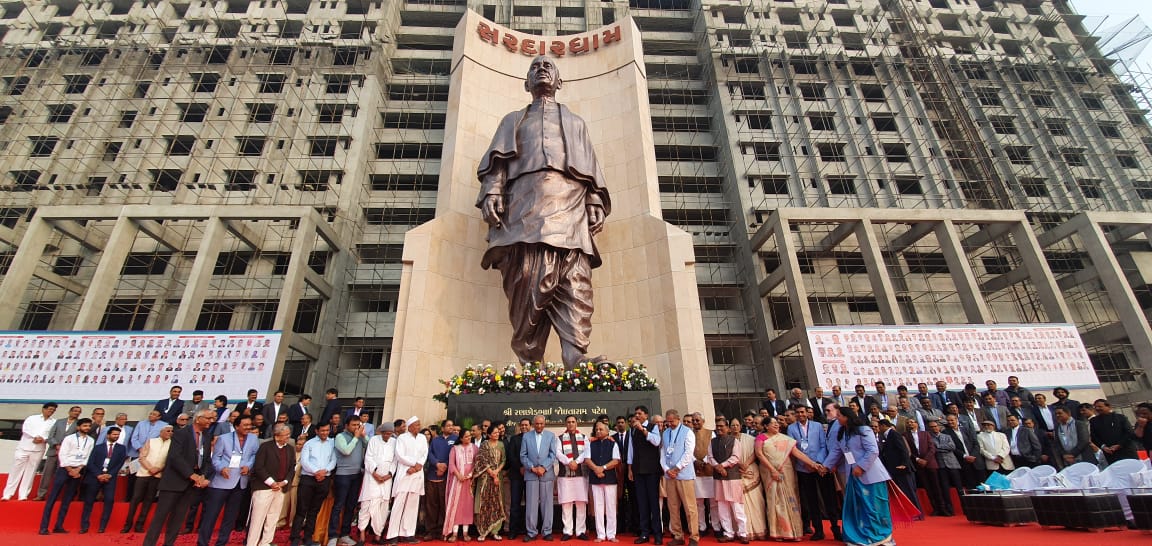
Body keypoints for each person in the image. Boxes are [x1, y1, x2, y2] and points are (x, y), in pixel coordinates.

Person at [476, 55, 612, 368]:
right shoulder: (513, 120)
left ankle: (575, 355)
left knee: (575, 280)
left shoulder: (576, 123)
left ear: (559, 82)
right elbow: (497, 165)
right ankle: (529, 357)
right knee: (526, 278)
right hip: (523, 206)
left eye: (548, 66)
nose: (541, 69)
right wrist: (493, 191)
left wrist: (594, 200)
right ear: (526, 83)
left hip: (571, 206)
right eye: (535, 66)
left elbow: (589, 166)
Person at [822, 407, 896, 546]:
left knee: (874, 505)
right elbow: (836, 452)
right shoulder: (842, 433)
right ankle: (861, 535)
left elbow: (873, 450)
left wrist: (861, 466)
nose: (837, 418)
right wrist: (825, 466)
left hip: (871, 474)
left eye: (839, 415)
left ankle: (880, 536)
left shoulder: (864, 430)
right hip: (853, 476)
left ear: (847, 417)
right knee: (858, 506)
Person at [141, 409, 215, 546]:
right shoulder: (181, 433)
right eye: (208, 418)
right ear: (198, 419)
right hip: (173, 482)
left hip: (191, 485)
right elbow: (175, 457)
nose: (211, 421)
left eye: (212, 418)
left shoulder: (207, 435)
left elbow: (206, 459)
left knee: (178, 519)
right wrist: (191, 475)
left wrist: (202, 476)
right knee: (160, 517)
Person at [758, 414, 821, 541]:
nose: (776, 425)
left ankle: (794, 532)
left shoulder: (785, 439)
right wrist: (773, 470)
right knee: (775, 502)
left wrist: (813, 464)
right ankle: (778, 532)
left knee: (791, 499)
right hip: (770, 474)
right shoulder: (761, 438)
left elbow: (797, 453)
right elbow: (759, 454)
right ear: (766, 426)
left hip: (786, 473)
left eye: (777, 423)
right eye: (773, 423)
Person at [200, 415, 259, 546]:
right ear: (236, 426)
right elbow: (215, 458)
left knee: (230, 517)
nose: (248, 427)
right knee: (211, 515)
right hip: (221, 482)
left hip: (240, 482)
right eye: (245, 425)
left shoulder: (253, 439)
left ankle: (221, 542)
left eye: (250, 425)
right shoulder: (223, 438)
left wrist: (249, 466)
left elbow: (254, 455)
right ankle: (202, 542)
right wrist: (221, 468)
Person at [787, 406, 839, 540]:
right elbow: (793, 448)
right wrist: (807, 463)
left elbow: (823, 445)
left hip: (820, 467)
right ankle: (818, 530)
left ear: (807, 413)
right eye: (798, 412)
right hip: (803, 468)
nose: (800, 414)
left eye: (802, 412)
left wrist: (817, 463)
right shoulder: (791, 428)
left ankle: (835, 528)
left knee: (829, 498)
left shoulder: (817, 426)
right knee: (811, 500)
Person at [39, 417, 94, 534]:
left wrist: (78, 469)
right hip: (64, 469)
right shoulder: (69, 438)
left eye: (89, 426)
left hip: (78, 471)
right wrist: (70, 469)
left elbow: (88, 456)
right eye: (85, 426)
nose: (87, 428)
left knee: (68, 499)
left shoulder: (90, 440)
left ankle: (59, 526)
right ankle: (43, 527)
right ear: (78, 427)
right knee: (53, 498)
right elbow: (62, 455)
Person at [249, 424, 296, 546]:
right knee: (257, 519)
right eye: (285, 435)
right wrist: (271, 482)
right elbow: (259, 467)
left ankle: (266, 543)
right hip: (264, 488)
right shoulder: (265, 447)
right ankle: (251, 543)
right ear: (276, 436)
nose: (288, 437)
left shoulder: (290, 449)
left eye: (288, 434)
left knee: (273, 518)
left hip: (281, 488)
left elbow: (292, 468)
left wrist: (285, 482)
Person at [291, 422, 337, 546]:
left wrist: (325, 471)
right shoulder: (309, 443)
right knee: (301, 510)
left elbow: (333, 460)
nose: (325, 433)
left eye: (327, 430)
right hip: (308, 479)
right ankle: (295, 538)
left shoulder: (332, 444)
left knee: (314, 510)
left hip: (324, 479)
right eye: (322, 430)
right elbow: (304, 461)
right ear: (317, 431)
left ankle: (308, 538)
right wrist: (316, 471)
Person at [123, 424, 173, 533]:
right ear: (161, 432)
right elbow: (142, 457)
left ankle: (139, 525)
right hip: (144, 473)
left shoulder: (172, 444)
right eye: (168, 431)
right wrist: (150, 468)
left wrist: (158, 469)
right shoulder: (151, 441)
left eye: (171, 431)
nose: (170, 433)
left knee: (149, 500)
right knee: (135, 498)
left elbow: (169, 461)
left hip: (158, 475)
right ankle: (128, 524)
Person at [79, 426, 128, 533]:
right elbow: (90, 463)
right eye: (114, 434)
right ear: (108, 435)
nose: (116, 436)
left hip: (110, 478)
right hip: (95, 477)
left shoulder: (121, 448)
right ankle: (84, 526)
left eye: (118, 435)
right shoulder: (98, 447)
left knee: (109, 500)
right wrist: (98, 475)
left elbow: (119, 463)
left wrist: (110, 474)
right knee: (89, 501)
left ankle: (102, 527)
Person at [706, 416, 747, 544]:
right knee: (722, 506)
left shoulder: (734, 441)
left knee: (737, 506)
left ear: (728, 428)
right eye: (717, 426)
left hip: (732, 477)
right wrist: (718, 467)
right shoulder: (712, 442)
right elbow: (710, 457)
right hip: (719, 478)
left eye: (721, 426)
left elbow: (735, 457)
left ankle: (743, 533)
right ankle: (728, 533)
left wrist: (722, 466)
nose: (719, 428)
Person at [3, 402, 56, 501]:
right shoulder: (32, 418)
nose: (51, 411)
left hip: (39, 448)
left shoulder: (54, 422)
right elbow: (26, 429)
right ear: (44, 409)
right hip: (24, 447)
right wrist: (35, 437)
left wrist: (43, 439)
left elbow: (52, 434)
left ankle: (23, 495)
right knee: (16, 470)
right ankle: (7, 494)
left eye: (53, 410)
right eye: (50, 409)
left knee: (31, 472)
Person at [577, 420, 619, 543]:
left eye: (601, 429)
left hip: (610, 479)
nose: (598, 431)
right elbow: (587, 459)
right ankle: (600, 534)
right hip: (595, 478)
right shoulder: (591, 444)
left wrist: (603, 468)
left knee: (611, 507)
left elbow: (616, 460)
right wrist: (596, 469)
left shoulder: (613, 443)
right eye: (596, 429)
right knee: (598, 507)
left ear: (607, 431)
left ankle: (611, 534)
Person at [661, 410, 698, 546]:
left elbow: (689, 453)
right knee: (673, 506)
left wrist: (677, 468)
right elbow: (662, 453)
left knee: (689, 507)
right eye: (668, 421)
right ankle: (678, 535)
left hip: (684, 475)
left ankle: (694, 536)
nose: (670, 424)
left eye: (672, 421)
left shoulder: (688, 432)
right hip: (670, 475)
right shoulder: (665, 433)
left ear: (678, 419)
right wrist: (667, 469)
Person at [388, 416, 428, 545]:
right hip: (405, 473)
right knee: (398, 505)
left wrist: (417, 466)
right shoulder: (402, 438)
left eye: (419, 424)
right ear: (410, 427)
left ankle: (408, 534)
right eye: (416, 425)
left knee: (412, 506)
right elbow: (400, 455)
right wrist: (413, 464)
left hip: (417, 474)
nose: (418, 427)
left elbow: (424, 454)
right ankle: (393, 535)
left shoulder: (422, 438)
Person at [330, 415, 369, 546]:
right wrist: (356, 438)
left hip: (356, 475)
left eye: (358, 425)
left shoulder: (360, 437)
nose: (356, 427)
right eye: (353, 425)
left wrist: (363, 436)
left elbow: (371, 446)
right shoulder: (340, 436)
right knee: (338, 505)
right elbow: (346, 451)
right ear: (347, 425)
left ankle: (345, 534)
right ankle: (332, 535)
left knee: (351, 506)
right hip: (343, 475)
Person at [521, 414, 559, 541]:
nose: (539, 426)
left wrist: (543, 467)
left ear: (545, 424)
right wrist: (532, 468)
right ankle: (531, 532)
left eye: (541, 423)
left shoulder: (550, 436)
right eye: (537, 424)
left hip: (546, 474)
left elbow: (553, 454)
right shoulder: (526, 436)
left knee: (547, 504)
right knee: (531, 504)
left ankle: (547, 531)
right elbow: (523, 455)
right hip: (531, 474)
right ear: (533, 424)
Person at [629, 405, 663, 545]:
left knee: (653, 503)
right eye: (636, 413)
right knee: (642, 503)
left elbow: (656, 441)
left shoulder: (653, 427)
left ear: (646, 415)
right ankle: (644, 533)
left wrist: (643, 430)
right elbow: (631, 450)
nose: (637, 416)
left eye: (639, 413)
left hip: (651, 471)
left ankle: (658, 534)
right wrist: (630, 469)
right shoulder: (632, 430)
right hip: (638, 470)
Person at [358, 422, 397, 545]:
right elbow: (368, 458)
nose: (387, 436)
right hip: (372, 478)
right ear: (381, 432)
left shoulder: (394, 442)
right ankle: (362, 536)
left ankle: (377, 536)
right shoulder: (374, 440)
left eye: (389, 434)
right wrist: (375, 474)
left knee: (383, 508)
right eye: (385, 433)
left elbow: (395, 461)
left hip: (386, 480)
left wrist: (389, 475)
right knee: (366, 505)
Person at [555, 415, 590, 540]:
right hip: (565, 475)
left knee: (581, 503)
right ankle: (567, 531)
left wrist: (577, 462)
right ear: (566, 424)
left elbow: (586, 452)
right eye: (568, 422)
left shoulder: (584, 438)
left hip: (581, 474)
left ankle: (581, 531)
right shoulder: (559, 438)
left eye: (573, 422)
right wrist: (569, 462)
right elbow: (558, 453)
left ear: (576, 423)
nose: (571, 424)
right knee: (566, 503)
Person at [876, 418, 919, 518]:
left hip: (901, 468)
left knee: (908, 491)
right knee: (903, 492)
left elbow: (903, 450)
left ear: (883, 426)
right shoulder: (887, 436)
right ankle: (910, 513)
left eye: (878, 426)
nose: (878, 429)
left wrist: (904, 464)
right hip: (895, 469)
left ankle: (916, 513)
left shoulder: (894, 434)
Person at [37, 405, 81, 500]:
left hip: (68, 454)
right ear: (70, 412)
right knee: (47, 474)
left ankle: (63, 495)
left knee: (64, 475)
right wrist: (56, 445)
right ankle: (41, 494)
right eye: (75, 411)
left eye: (78, 412)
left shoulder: (79, 424)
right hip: (54, 451)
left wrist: (64, 448)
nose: (76, 413)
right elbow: (50, 436)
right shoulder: (59, 422)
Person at [473, 422, 507, 541]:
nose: (497, 434)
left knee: (497, 503)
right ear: (488, 434)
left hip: (498, 478)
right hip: (485, 478)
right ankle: (483, 531)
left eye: (498, 433)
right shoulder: (484, 445)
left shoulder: (501, 445)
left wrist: (496, 471)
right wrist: (491, 472)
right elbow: (481, 460)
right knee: (484, 503)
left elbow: (504, 460)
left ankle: (495, 531)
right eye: (494, 433)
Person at [904, 418, 943, 517]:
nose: (910, 424)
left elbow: (932, 448)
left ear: (917, 424)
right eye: (908, 423)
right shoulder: (905, 436)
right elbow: (908, 451)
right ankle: (935, 508)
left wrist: (926, 460)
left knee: (937, 486)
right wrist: (917, 459)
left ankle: (942, 508)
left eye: (912, 422)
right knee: (927, 488)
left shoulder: (925, 434)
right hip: (918, 464)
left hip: (930, 463)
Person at [427, 419, 458, 540]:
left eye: (452, 425)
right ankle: (430, 531)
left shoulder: (455, 439)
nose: (451, 427)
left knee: (444, 504)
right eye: (448, 426)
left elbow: (455, 456)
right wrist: (437, 464)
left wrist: (444, 466)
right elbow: (430, 454)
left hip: (446, 476)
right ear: (443, 428)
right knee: (431, 504)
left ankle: (443, 530)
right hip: (433, 474)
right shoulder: (435, 440)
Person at [444, 429, 478, 541]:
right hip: (457, 482)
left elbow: (477, 463)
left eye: (470, 436)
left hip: (469, 481)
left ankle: (465, 533)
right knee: (456, 506)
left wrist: (471, 474)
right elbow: (451, 464)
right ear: (461, 438)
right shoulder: (455, 449)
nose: (469, 438)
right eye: (466, 436)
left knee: (467, 506)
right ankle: (454, 533)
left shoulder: (474, 448)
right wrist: (458, 475)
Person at [927, 420, 960, 517]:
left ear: (939, 427)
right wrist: (944, 448)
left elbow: (952, 447)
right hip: (940, 465)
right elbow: (934, 449)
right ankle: (949, 509)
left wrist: (939, 447)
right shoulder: (929, 438)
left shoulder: (947, 436)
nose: (934, 428)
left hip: (952, 463)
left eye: (935, 426)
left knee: (959, 487)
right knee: (945, 488)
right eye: (932, 427)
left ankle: (965, 507)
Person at [1089, 399, 1137, 463]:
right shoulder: (1093, 421)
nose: (1097, 408)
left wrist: (1119, 445)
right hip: (1109, 453)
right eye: (1095, 407)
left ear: (1108, 406)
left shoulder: (1120, 417)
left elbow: (1129, 433)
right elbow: (1094, 436)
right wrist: (1103, 447)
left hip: (1126, 450)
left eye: (1100, 406)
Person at [507, 418, 530, 540]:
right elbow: (511, 455)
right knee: (515, 504)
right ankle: (513, 530)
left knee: (530, 504)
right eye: (522, 425)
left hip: (531, 475)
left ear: (530, 426)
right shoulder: (514, 439)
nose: (524, 427)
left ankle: (528, 529)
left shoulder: (534, 438)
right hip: (516, 475)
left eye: (526, 425)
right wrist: (520, 467)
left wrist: (527, 467)